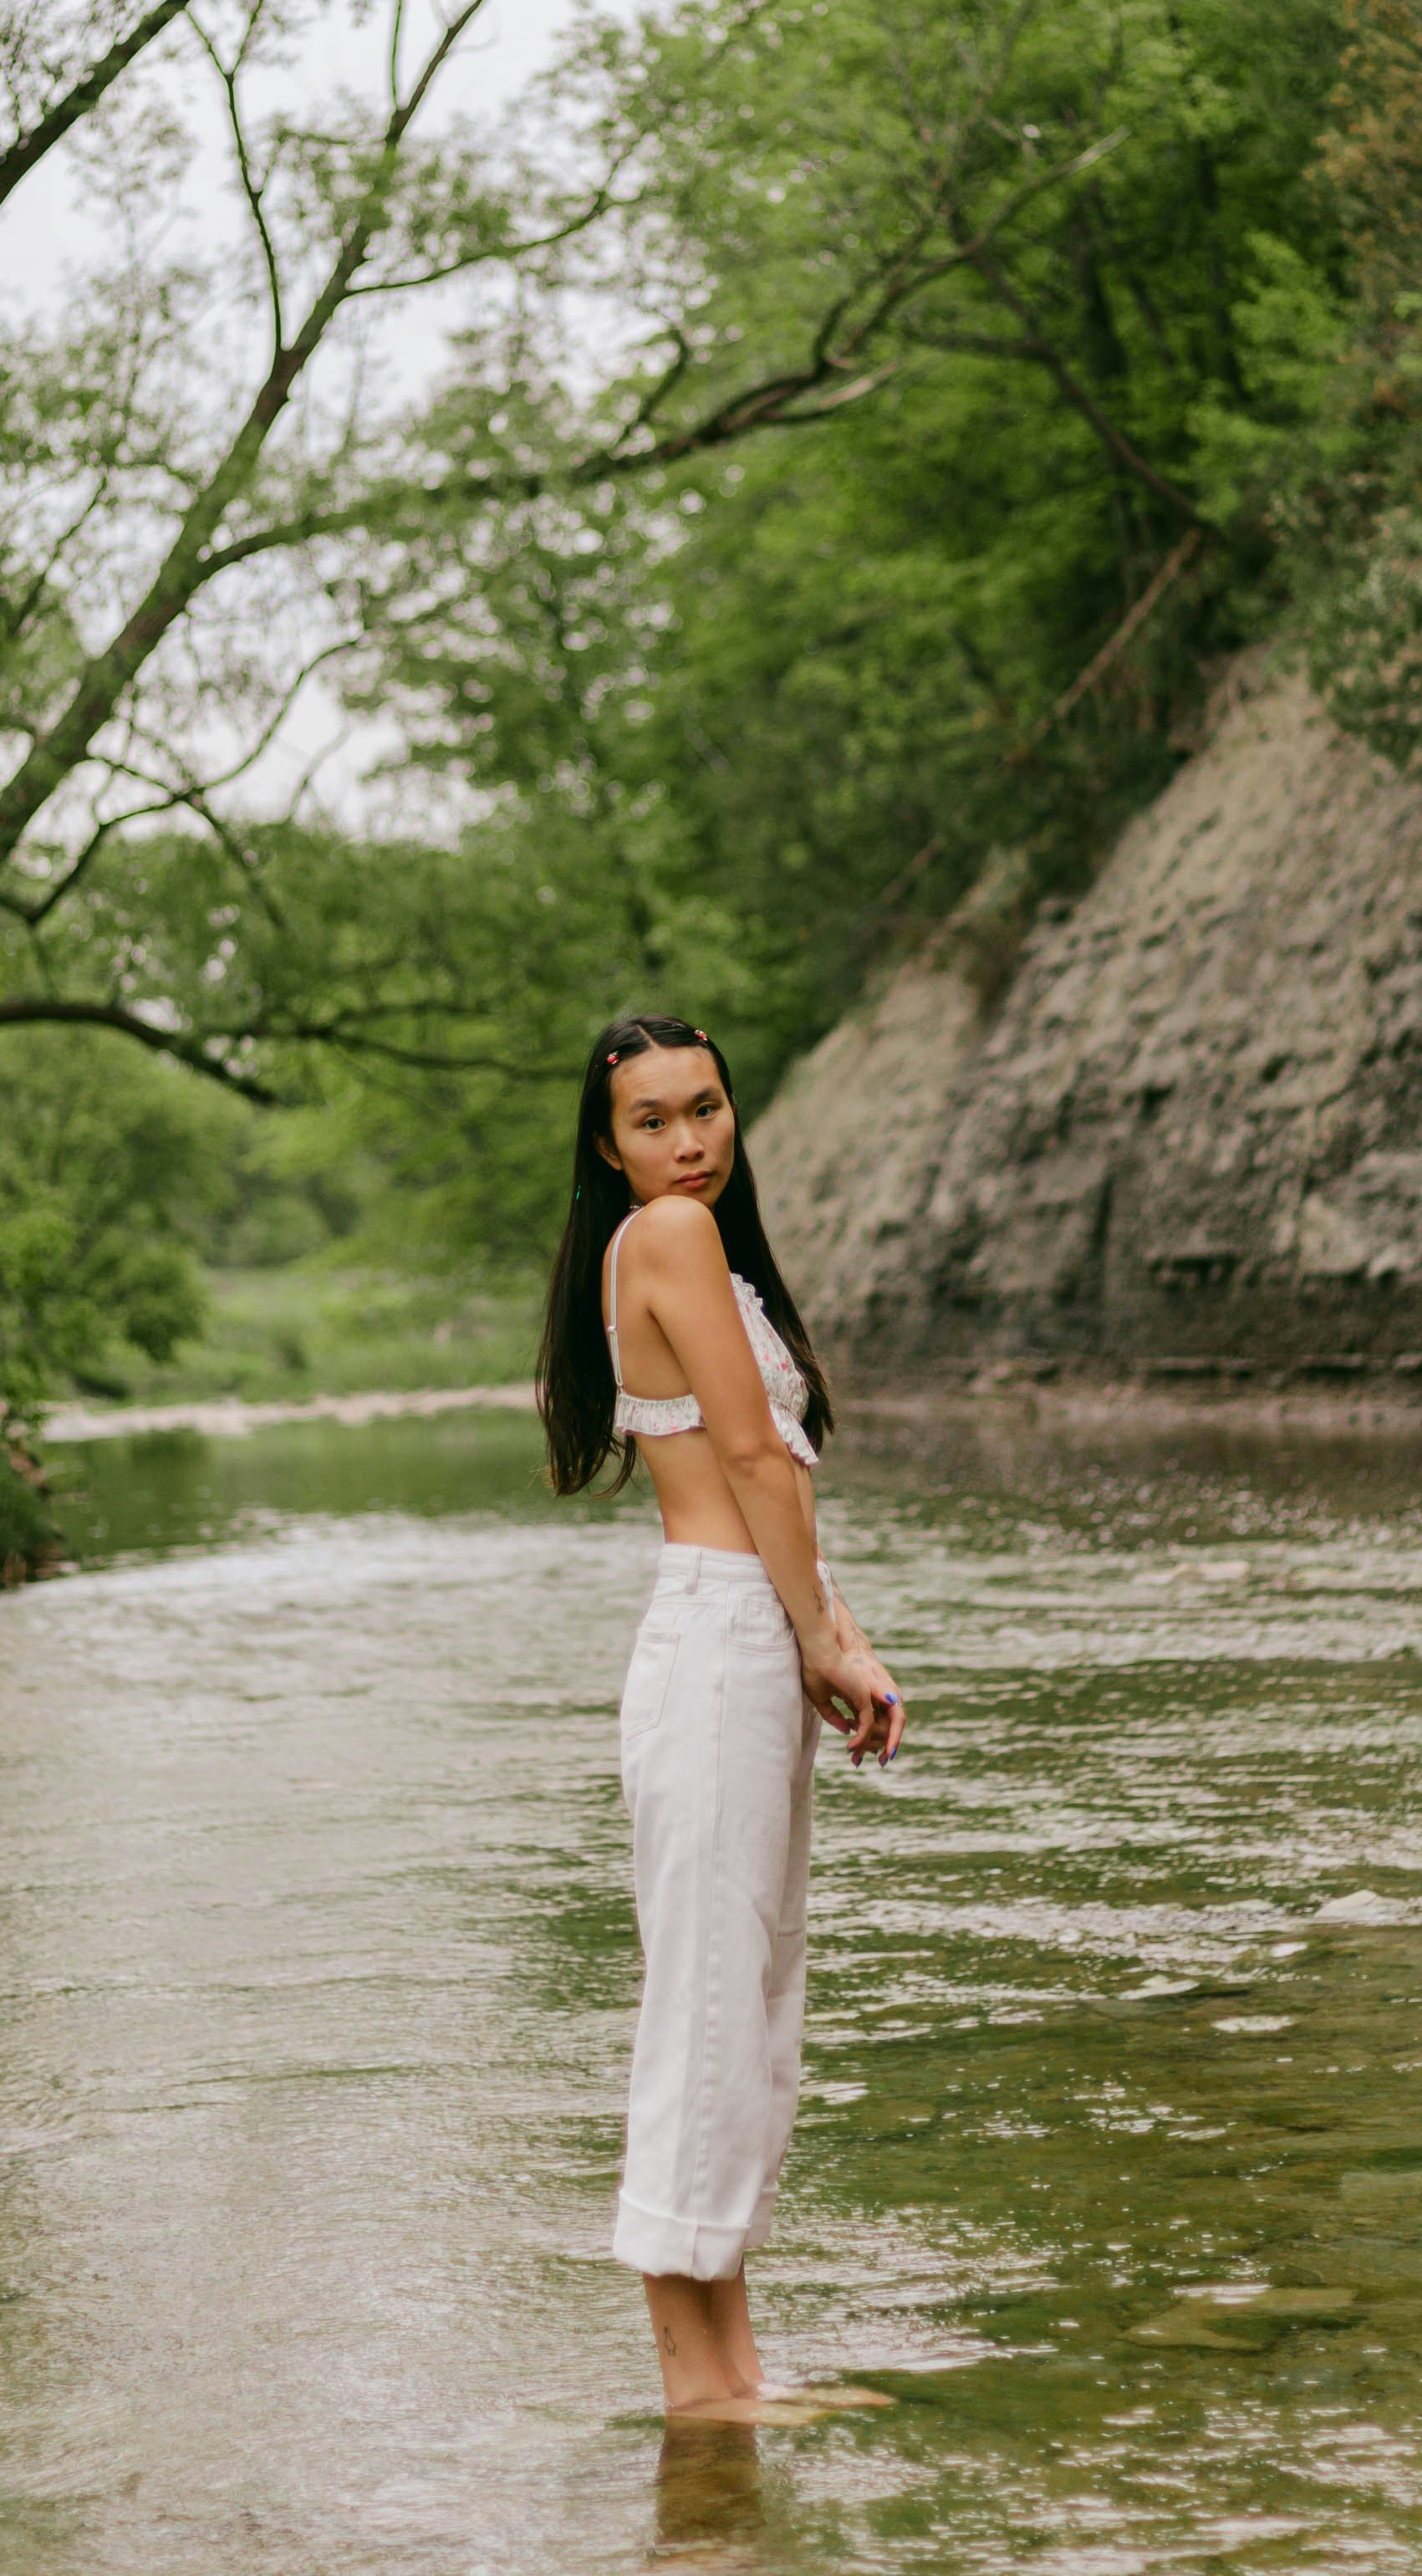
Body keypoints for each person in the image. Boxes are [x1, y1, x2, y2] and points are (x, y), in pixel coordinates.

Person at [537, 1012, 906, 2418]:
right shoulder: (672, 1241)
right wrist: (823, 1638)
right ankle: (698, 2394)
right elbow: (744, 1454)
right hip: (717, 1639)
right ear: (605, 1141)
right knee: (704, 2009)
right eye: (651, 1120)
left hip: (744, 1631)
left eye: (706, 1109)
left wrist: (836, 1633)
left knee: (745, 2002)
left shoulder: (701, 1249)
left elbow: (776, 1476)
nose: (687, 1141)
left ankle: (735, 2369)